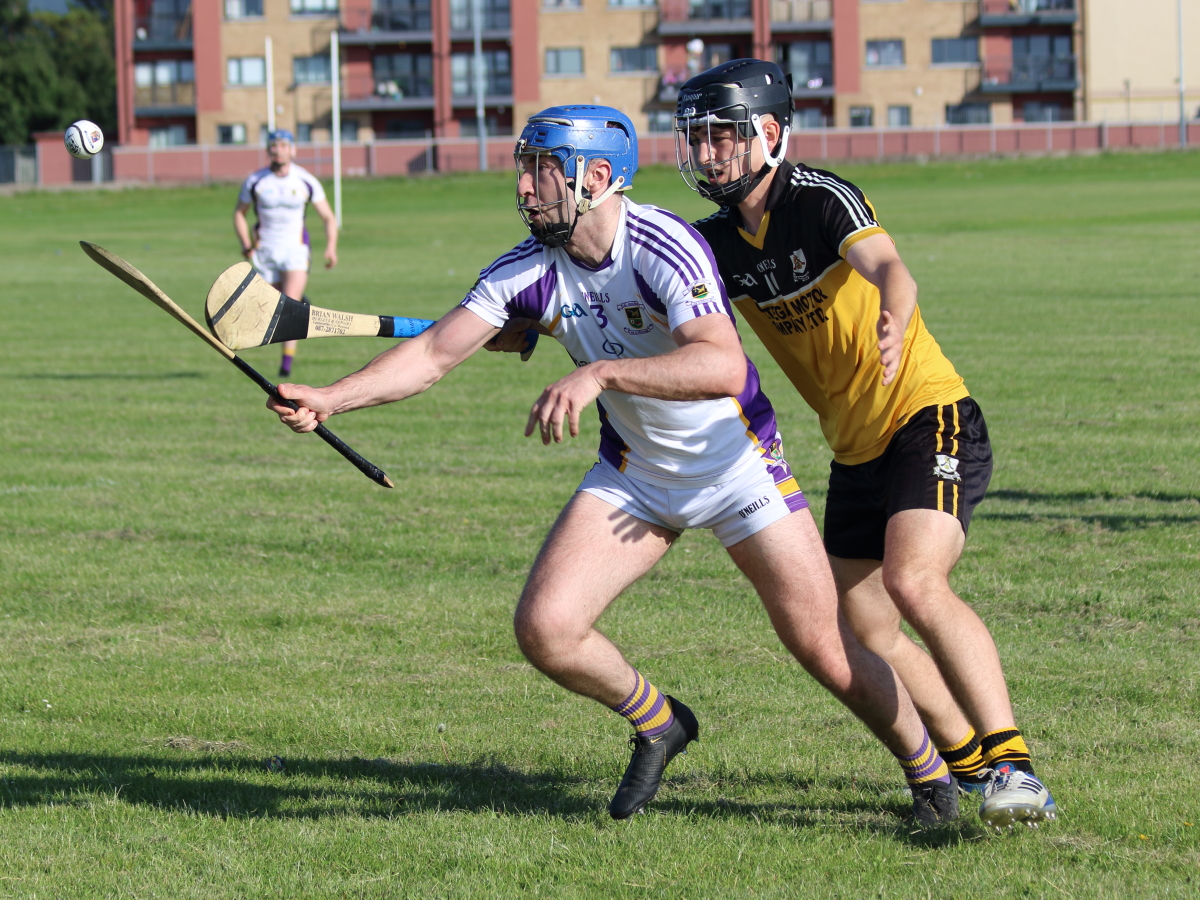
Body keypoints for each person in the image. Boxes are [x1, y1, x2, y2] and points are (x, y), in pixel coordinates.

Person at [267, 105, 961, 826]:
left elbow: (720, 365)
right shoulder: (527, 269)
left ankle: (930, 776)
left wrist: (599, 374)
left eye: (543, 171)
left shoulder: (664, 243)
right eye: (524, 170)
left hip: (736, 467)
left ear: (598, 177)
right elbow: (436, 352)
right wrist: (329, 399)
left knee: (823, 645)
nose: (527, 189)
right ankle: (660, 722)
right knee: (547, 628)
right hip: (635, 473)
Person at [672, 58, 1056, 830]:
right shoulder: (713, 244)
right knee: (865, 631)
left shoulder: (818, 199)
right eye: (698, 138)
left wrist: (892, 311)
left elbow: (890, 267)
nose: (708, 152)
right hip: (854, 451)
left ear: (770, 134)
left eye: (723, 135)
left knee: (916, 584)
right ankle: (972, 768)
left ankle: (1017, 766)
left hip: (928, 415)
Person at [234, 129, 339, 377]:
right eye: (274, 145)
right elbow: (239, 213)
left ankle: (286, 365)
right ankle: (302, 302)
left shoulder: (305, 180)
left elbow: (328, 217)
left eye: (283, 145)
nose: (278, 149)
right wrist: (246, 243)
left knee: (288, 307)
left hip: (295, 251)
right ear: (268, 150)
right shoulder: (256, 181)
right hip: (266, 252)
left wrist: (331, 247)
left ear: (293, 150)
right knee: (268, 306)